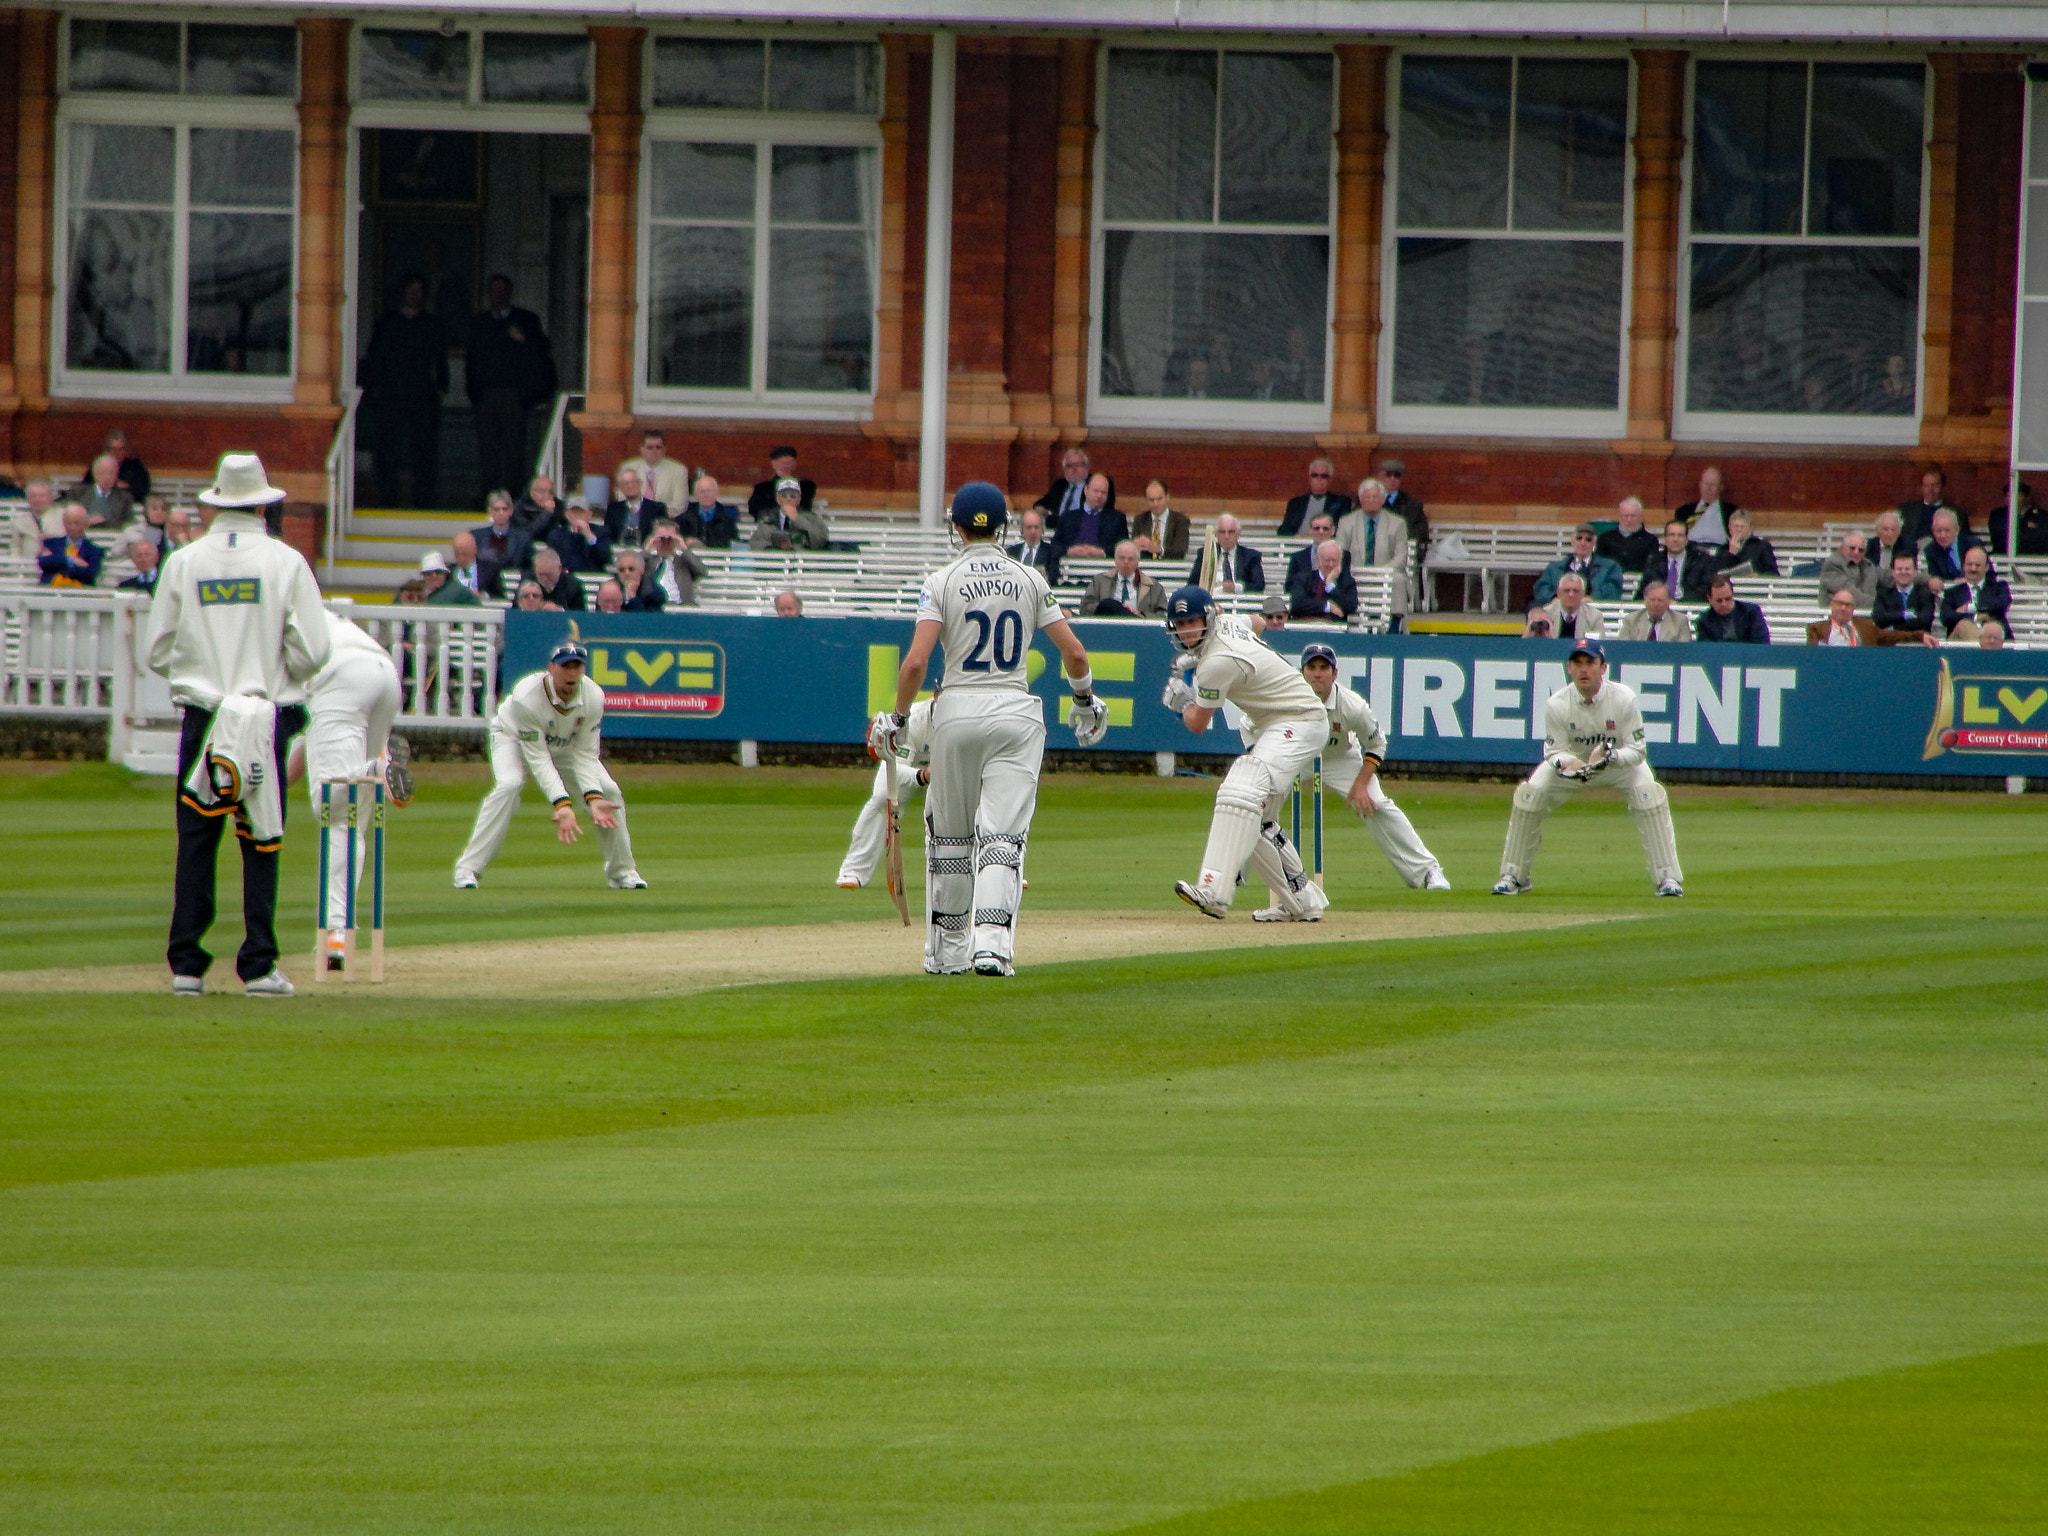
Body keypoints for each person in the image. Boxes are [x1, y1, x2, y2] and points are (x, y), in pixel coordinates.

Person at [870, 480, 1102, 975]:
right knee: (1002, 837)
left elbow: (915, 662)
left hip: (955, 712)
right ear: (1004, 526)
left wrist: (899, 719)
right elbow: (1075, 653)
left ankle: (948, 953)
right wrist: (1084, 700)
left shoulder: (942, 580)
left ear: (956, 527)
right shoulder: (1030, 578)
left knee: (951, 839)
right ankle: (991, 948)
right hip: (1016, 713)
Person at [146, 452, 330, 997]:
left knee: (198, 837)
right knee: (261, 836)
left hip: (204, 714)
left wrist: (202, 663)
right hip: (262, 712)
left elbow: (157, 650)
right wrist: (277, 666)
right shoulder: (285, 561)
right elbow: (315, 650)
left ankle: (185, 964)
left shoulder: (184, 561)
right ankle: (257, 964)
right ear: (263, 504)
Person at [1161, 586, 1328, 922]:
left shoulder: (1216, 665)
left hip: (1299, 719)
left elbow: (1197, 723)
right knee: (1257, 820)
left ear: (1207, 617)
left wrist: (1180, 702)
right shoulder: (1231, 622)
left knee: (1240, 787)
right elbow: (1259, 623)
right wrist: (1211, 631)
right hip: (1277, 723)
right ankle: (1302, 901)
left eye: (1192, 621)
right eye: (1179, 624)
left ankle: (1213, 891)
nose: (1185, 630)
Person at [1492, 638, 1681, 898]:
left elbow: (1637, 751)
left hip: (1617, 764)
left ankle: (1667, 878)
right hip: (1573, 765)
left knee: (1649, 795)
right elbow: (1553, 751)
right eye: (1577, 663)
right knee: (1530, 795)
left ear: (1603, 668)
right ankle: (1514, 876)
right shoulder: (1557, 704)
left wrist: (1610, 758)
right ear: (1569, 668)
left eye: (1590, 663)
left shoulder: (1623, 699)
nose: (1583, 670)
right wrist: (1568, 765)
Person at [454, 640, 643, 890]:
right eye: (566, 667)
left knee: (609, 792)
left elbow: (586, 755)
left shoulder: (593, 696)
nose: (572, 673)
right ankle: (467, 869)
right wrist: (562, 804)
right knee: (510, 784)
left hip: (566, 746)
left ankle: (622, 872)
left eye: (577, 667)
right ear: (551, 668)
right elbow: (539, 759)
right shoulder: (526, 697)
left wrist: (592, 797)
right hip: (513, 737)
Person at [288, 607, 409, 968]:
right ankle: (336, 933)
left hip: (340, 678)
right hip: (384, 673)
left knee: (330, 803)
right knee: (347, 820)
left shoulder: (267, 621)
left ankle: (377, 765)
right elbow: (306, 743)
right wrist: (276, 785)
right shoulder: (313, 611)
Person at [1296, 643, 1450, 893]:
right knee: (1254, 798)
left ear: (1334, 674)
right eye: (1311, 667)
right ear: (1301, 672)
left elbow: (1377, 743)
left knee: (1376, 803)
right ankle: (1233, 873)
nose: (1317, 673)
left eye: (1324, 668)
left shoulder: (1352, 705)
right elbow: (1251, 724)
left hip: (1340, 757)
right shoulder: (1287, 697)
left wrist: (1359, 786)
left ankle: (1428, 871)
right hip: (1296, 754)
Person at [360, 273, 449, 508]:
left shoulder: (431, 325)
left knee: (424, 451)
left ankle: (424, 501)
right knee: (388, 450)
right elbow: (374, 358)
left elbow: (440, 360)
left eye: (420, 290)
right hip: (391, 396)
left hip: (422, 396)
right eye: (411, 290)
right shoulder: (387, 323)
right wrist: (374, 389)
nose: (415, 295)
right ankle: (387, 498)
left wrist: (441, 387)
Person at [466, 275, 557, 502]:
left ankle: (511, 496)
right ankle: (489, 496)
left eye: (502, 290)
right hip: (486, 394)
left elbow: (542, 350)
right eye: (494, 290)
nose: (498, 295)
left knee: (514, 448)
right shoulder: (480, 323)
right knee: (488, 448)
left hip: (514, 395)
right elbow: (472, 361)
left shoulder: (526, 320)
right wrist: (475, 393)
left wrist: (523, 339)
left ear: (509, 293)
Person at [837, 697, 933, 889]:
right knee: (882, 799)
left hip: (952, 769)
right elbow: (896, 768)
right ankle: (854, 871)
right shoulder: (915, 718)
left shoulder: (969, 721)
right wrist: (923, 775)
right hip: (910, 766)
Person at [1336, 477, 1409, 624]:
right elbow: (1340, 553)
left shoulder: (1397, 523)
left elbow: (1400, 558)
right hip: (1355, 573)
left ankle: (1395, 626)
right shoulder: (1346, 522)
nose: (1371, 500)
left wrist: (1378, 573)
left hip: (1385, 573)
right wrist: (1357, 571)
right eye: (1366, 497)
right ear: (1361, 500)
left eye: (1375, 497)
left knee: (1399, 579)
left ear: (1383, 499)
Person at [1533, 524, 1625, 603]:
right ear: (1572, 541)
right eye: (1579, 538)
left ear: (1594, 544)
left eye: (1588, 539)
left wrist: (1592, 598)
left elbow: (1613, 590)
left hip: (1594, 611)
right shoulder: (1555, 567)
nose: (1583, 543)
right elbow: (1541, 588)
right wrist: (1553, 598)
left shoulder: (1610, 567)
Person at [1938, 545, 2011, 640]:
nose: (1973, 569)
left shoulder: (1998, 588)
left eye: (1977, 565)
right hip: (1959, 645)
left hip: (1995, 639)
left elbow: (2001, 605)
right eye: (1969, 564)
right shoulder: (1952, 593)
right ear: (1963, 566)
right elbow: (1946, 618)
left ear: (1986, 567)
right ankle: (1983, 652)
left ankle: (1982, 650)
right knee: (1964, 625)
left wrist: (1969, 608)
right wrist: (1977, 617)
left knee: (1991, 629)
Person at [1080, 540, 1168, 617]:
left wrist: (1143, 616)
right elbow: (1085, 608)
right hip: (1107, 627)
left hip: (1139, 629)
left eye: (1130, 559)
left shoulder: (1154, 587)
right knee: (1108, 604)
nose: (1126, 562)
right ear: (1115, 560)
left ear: (1137, 562)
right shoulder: (1099, 581)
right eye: (1122, 558)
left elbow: (1164, 614)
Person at [1051, 472, 1125, 561]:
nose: (1099, 495)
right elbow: (1055, 546)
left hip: (1104, 568)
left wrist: (1103, 552)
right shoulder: (1067, 517)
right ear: (1086, 490)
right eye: (1096, 491)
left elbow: (1123, 547)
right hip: (1070, 566)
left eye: (1104, 492)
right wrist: (1068, 551)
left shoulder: (1117, 519)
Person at [471, 490, 532, 599]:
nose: (501, 513)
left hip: (514, 587)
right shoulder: (477, 536)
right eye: (496, 509)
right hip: (484, 589)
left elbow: (528, 568)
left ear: (511, 511)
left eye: (504, 509)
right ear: (490, 511)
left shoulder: (523, 538)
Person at [1638, 519, 1713, 602]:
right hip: (1659, 606)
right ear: (1665, 538)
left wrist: (1680, 603)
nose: (1675, 539)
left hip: (1688, 606)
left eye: (1680, 535)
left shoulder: (1701, 560)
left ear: (1686, 539)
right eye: (1671, 535)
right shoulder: (1654, 561)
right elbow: (1643, 591)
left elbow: (1705, 591)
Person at [618, 427, 690, 510]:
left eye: (658, 447)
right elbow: (622, 498)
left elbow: (680, 505)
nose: (654, 451)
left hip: (665, 519)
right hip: (635, 517)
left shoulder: (679, 470)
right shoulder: (627, 468)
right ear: (642, 449)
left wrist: (655, 513)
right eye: (650, 447)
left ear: (664, 450)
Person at [750, 477, 831, 550]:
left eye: (792, 496)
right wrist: (775, 548)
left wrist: (797, 519)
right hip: (776, 562)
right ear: (778, 499)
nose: (788, 499)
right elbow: (757, 543)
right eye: (784, 495)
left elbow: (821, 542)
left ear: (799, 499)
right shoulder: (767, 519)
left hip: (803, 562)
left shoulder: (812, 519)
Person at [1873, 553, 1939, 643]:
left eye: (1907, 569)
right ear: (1893, 572)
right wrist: (1903, 615)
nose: (1903, 572)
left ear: (1915, 572)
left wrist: (1893, 626)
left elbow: (1924, 622)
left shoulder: (1926, 595)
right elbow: (1879, 619)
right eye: (1899, 569)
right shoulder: (1883, 594)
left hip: (1919, 644)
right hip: (1891, 644)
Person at [1033, 447, 1108, 526]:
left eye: (1078, 465)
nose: (1074, 469)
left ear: (1087, 468)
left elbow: (1104, 511)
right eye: (1069, 466)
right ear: (1064, 470)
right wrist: (1040, 508)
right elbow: (1042, 503)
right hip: (1056, 527)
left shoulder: (1095, 485)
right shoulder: (1060, 485)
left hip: (1081, 527)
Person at [1193, 512, 1264, 594]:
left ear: (1238, 534)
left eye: (1230, 532)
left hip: (1240, 602)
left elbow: (1259, 586)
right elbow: (1193, 584)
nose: (1226, 536)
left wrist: (1235, 587)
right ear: (1216, 534)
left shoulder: (1251, 556)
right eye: (1222, 532)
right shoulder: (1205, 554)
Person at [1279, 458, 1351, 537]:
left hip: (1326, 544)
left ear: (1330, 479)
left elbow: (1342, 530)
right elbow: (1284, 529)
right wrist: (1296, 536)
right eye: (1315, 475)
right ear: (1309, 478)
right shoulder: (1295, 503)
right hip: (1298, 543)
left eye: (1324, 476)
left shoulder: (1342, 502)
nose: (1319, 479)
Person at [1289, 539, 1358, 621]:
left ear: (1340, 561)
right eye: (1327, 560)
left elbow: (1351, 606)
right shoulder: (1302, 578)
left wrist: (1331, 586)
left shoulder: (1347, 582)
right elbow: (1297, 604)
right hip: (1306, 626)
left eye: (1334, 560)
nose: (1331, 564)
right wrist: (1327, 606)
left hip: (1335, 628)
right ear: (1318, 560)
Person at [643, 519, 706, 606]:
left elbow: (701, 571)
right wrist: (647, 548)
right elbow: (632, 568)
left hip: (681, 607)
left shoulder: (683, 561)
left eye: (669, 539)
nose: (665, 542)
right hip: (653, 607)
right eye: (661, 539)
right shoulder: (648, 561)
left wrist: (684, 547)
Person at [37, 505, 104, 586]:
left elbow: (89, 575)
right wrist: (70, 560)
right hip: (50, 592)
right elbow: (44, 564)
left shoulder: (95, 550)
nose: (72, 527)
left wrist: (58, 564)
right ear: (64, 523)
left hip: (80, 594)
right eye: (69, 523)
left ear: (85, 524)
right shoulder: (51, 543)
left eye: (77, 523)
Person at [1898, 467, 1965, 545]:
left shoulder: (1957, 513)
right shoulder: (1907, 511)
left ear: (1942, 488)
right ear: (1921, 488)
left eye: (1935, 486)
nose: (1930, 490)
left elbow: (1962, 540)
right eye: (1926, 486)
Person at [547, 495, 613, 573]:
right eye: (573, 513)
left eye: (580, 513)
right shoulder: (557, 535)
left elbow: (606, 559)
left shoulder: (601, 532)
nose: (576, 517)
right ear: (567, 515)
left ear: (589, 515)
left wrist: (590, 537)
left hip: (593, 577)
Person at [1694, 575, 1769, 643]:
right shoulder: (1704, 622)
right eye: (1719, 601)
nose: (1724, 604)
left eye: (1728, 599)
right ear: (1709, 599)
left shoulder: (1751, 612)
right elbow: (1706, 651)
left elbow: (1761, 644)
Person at [748, 445, 816, 520]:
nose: (785, 465)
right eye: (782, 462)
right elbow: (755, 509)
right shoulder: (762, 488)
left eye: (789, 462)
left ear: (794, 464)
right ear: (773, 464)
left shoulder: (805, 486)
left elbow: (804, 506)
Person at [1675, 465, 1736, 546]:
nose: (1708, 488)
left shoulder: (1732, 512)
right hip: (1692, 552)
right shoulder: (1683, 512)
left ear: (1721, 487)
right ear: (1700, 485)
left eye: (1713, 484)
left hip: (1720, 552)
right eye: (1706, 484)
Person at [1377, 459, 1429, 555]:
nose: (1392, 479)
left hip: (1403, 552)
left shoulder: (1413, 505)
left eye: (1397, 475)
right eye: (1388, 475)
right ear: (1380, 476)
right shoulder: (1368, 500)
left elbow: (1420, 531)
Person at [603, 465, 664, 547]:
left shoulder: (657, 509)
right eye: (625, 483)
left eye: (633, 482)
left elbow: (661, 536)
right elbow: (607, 535)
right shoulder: (613, 509)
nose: (630, 486)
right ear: (620, 488)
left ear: (640, 484)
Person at [1130, 479, 1189, 561]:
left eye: (1159, 499)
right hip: (1145, 566)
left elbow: (1180, 551)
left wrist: (1159, 550)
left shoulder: (1180, 520)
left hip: (1171, 568)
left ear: (1167, 497)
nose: (1155, 504)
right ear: (1146, 500)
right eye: (1151, 500)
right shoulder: (1140, 520)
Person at [71, 454, 132, 531]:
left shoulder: (124, 498)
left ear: (116, 476)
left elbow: (128, 523)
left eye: (111, 473)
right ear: (95, 474)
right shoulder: (78, 493)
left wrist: (104, 522)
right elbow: (70, 518)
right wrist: (86, 521)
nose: (107, 477)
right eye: (103, 472)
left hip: (113, 537)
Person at [1806, 587, 1884, 647]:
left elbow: (1890, 635)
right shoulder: (1817, 629)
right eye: (1840, 603)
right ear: (1832, 605)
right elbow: (1814, 655)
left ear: (1853, 609)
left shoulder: (1867, 626)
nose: (1843, 608)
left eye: (1848, 605)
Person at [1596, 497, 1657, 573]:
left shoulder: (1651, 540)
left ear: (1640, 517)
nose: (1629, 520)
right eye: (1625, 516)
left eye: (1633, 516)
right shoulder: (1605, 538)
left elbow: (1653, 567)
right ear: (1619, 516)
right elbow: (1598, 565)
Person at [679, 474, 742, 548]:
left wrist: (702, 545)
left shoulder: (728, 522)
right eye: (702, 491)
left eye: (709, 491)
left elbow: (730, 546)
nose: (706, 494)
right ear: (695, 495)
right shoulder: (683, 521)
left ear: (717, 493)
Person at [1818, 531, 1878, 608]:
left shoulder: (1868, 566)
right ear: (1842, 548)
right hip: (1835, 613)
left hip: (1864, 613)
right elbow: (1849, 595)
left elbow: (1870, 592)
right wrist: (1877, 605)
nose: (1856, 552)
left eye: (1861, 550)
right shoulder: (1832, 564)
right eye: (1852, 548)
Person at [1987, 481, 2048, 556]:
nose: (2011, 497)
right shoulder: (1997, 514)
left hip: (2032, 557)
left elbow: (2040, 538)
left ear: (2027, 497)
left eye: (2018, 494)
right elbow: (1999, 535)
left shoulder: (2041, 515)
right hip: (2002, 555)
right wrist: (2025, 526)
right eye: (2008, 494)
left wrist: (2021, 526)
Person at [1538, 572, 1605, 640]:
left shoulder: (1594, 616)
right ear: (1558, 593)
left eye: (1575, 591)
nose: (1571, 594)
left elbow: (1600, 642)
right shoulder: (1547, 613)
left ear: (1583, 594)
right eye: (1567, 590)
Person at [1712, 512, 1779, 578]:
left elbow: (1773, 573)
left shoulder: (1762, 546)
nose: (1739, 529)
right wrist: (1731, 554)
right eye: (1736, 526)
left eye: (1742, 527)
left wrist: (1759, 576)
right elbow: (1716, 573)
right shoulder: (1723, 549)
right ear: (1729, 528)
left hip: (1754, 585)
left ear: (1749, 529)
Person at [1618, 581, 1690, 642]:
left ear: (1668, 602)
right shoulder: (1631, 620)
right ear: (1645, 601)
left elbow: (1683, 650)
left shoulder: (1680, 621)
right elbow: (1622, 647)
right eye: (1652, 600)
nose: (1656, 604)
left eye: (1660, 600)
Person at [1918, 509, 1978, 582]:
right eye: (1938, 531)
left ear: (1956, 529)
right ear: (1933, 531)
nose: (1942, 535)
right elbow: (1936, 577)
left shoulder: (1972, 545)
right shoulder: (1930, 551)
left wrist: (1968, 580)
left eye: (1947, 530)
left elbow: (1987, 573)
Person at [1006, 507, 1062, 584]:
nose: (1033, 531)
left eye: (1036, 527)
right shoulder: (1011, 552)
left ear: (1042, 530)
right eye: (1029, 528)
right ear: (1022, 530)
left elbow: (1053, 577)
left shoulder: (1052, 552)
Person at [100, 428, 151, 502]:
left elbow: (142, 490)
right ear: (107, 451)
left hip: (127, 504)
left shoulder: (135, 466)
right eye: (114, 449)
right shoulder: (99, 465)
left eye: (121, 449)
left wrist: (127, 487)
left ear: (126, 450)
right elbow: (88, 488)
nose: (117, 453)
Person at [530, 545, 584, 611]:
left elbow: (579, 615)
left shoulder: (572, 586)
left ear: (559, 568)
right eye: (540, 574)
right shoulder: (528, 581)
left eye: (548, 575)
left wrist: (560, 610)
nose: (544, 579)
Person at [514, 474, 561, 540]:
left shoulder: (559, 506)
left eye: (551, 492)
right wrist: (547, 513)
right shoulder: (520, 507)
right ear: (532, 493)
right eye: (542, 491)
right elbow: (526, 533)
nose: (547, 495)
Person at [1868, 509, 1915, 574]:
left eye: (1893, 530)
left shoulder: (1908, 547)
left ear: (1899, 531)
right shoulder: (1868, 546)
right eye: (1885, 529)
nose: (1889, 534)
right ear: (1877, 531)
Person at [447, 531, 485, 598]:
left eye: (465, 554)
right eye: (457, 555)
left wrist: (483, 597)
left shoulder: (488, 572)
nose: (461, 559)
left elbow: (498, 595)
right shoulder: (447, 574)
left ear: (474, 550)